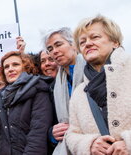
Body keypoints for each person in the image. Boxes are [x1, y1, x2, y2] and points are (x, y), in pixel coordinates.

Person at [66, 15, 130, 155]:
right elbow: (71, 134)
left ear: (115, 42)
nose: (87, 44)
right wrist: (90, 144)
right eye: (82, 42)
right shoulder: (78, 92)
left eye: (94, 37)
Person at [0, 51, 53, 154]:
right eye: (6, 67)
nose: (10, 69)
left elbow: (37, 136)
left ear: (25, 67)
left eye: (15, 64)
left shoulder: (38, 90)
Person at [42, 27, 86, 154]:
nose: (54, 51)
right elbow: (52, 122)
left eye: (58, 44)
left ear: (73, 44)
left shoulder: (93, 72)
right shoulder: (54, 87)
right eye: (50, 49)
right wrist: (52, 134)